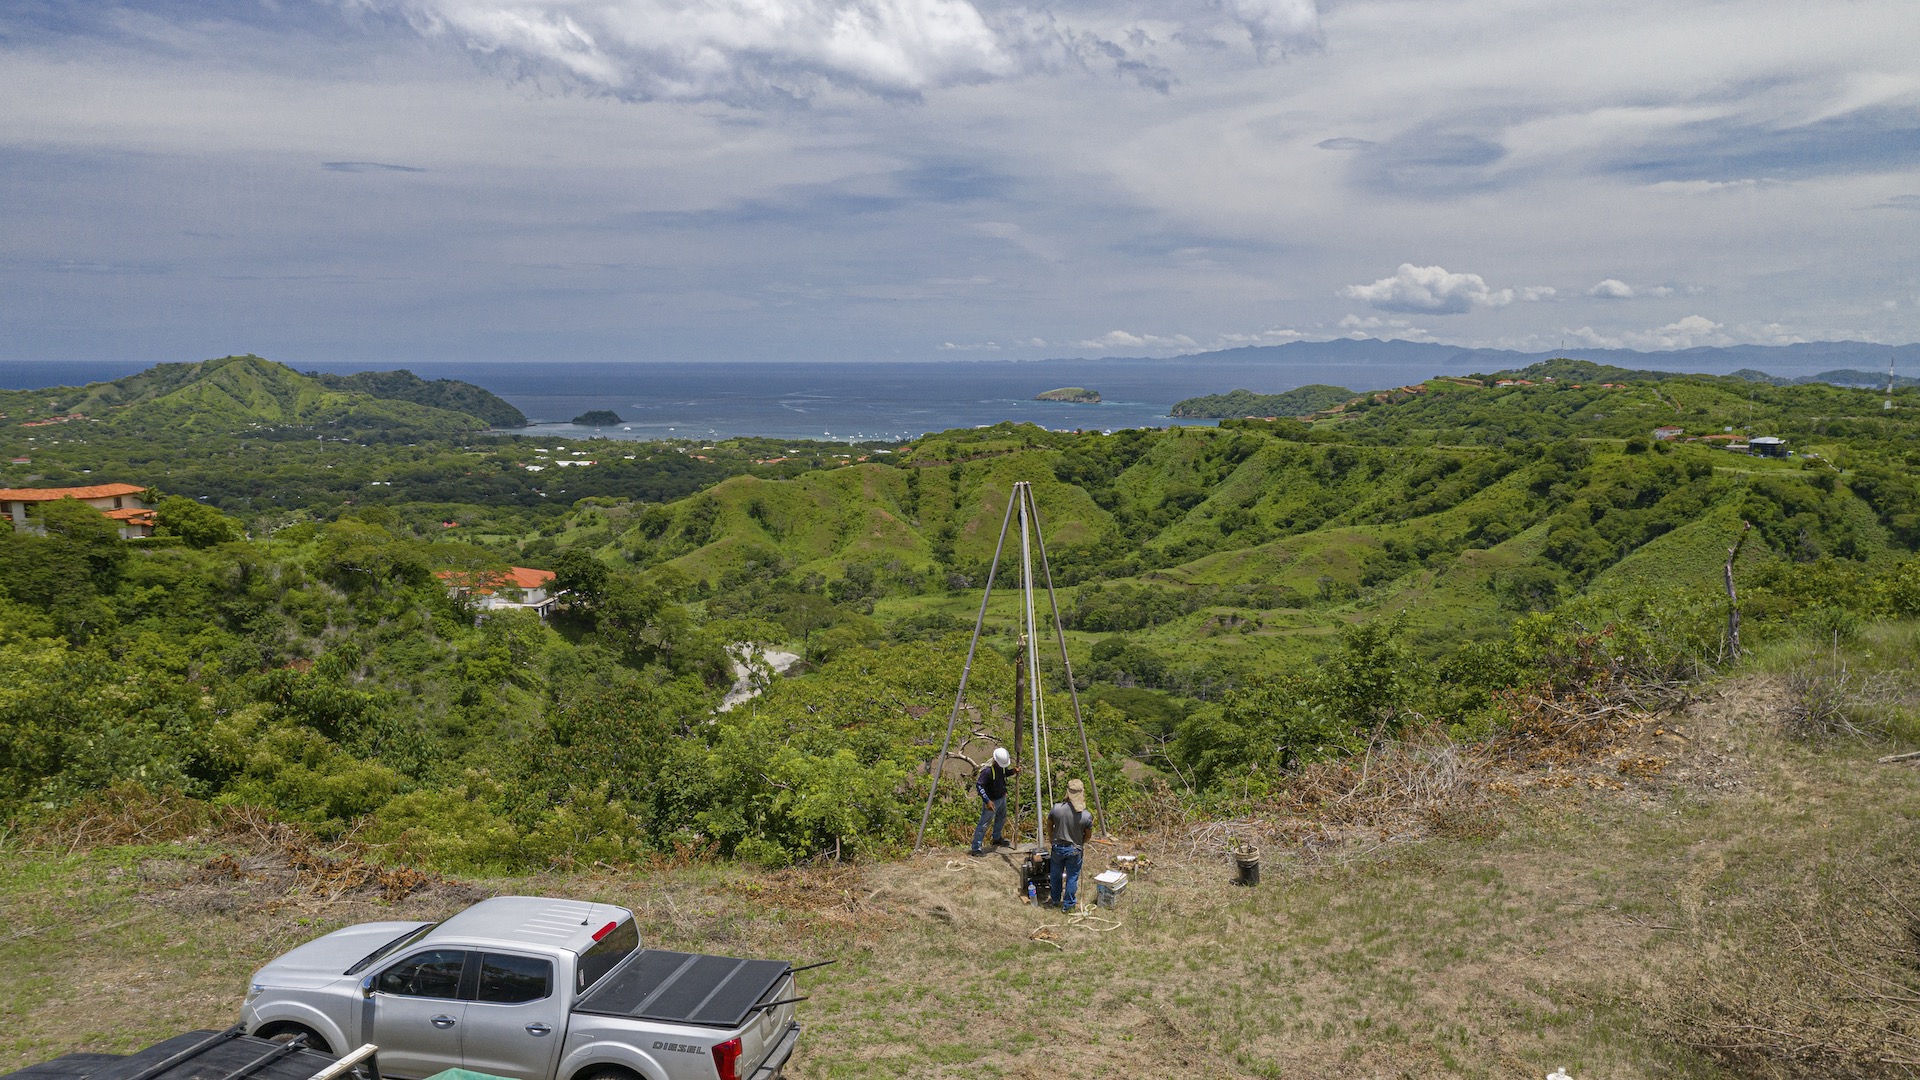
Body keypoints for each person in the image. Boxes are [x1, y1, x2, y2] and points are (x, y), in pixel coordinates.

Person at [1048, 778, 1094, 910]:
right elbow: (1088, 835)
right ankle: (1068, 905)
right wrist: (1080, 843)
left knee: (1056, 875)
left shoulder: (1056, 809)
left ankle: (1055, 900)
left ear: (1068, 792)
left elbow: (1049, 825)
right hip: (1075, 849)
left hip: (1057, 847)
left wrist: (1051, 839)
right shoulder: (1086, 816)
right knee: (1072, 877)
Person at [969, 747, 1020, 856]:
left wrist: (1012, 771)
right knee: (984, 824)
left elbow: (1004, 774)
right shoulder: (987, 771)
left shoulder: (1000, 768)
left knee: (1001, 818)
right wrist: (987, 801)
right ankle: (975, 848)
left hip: (1001, 797)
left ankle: (996, 838)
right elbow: (979, 785)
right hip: (992, 801)